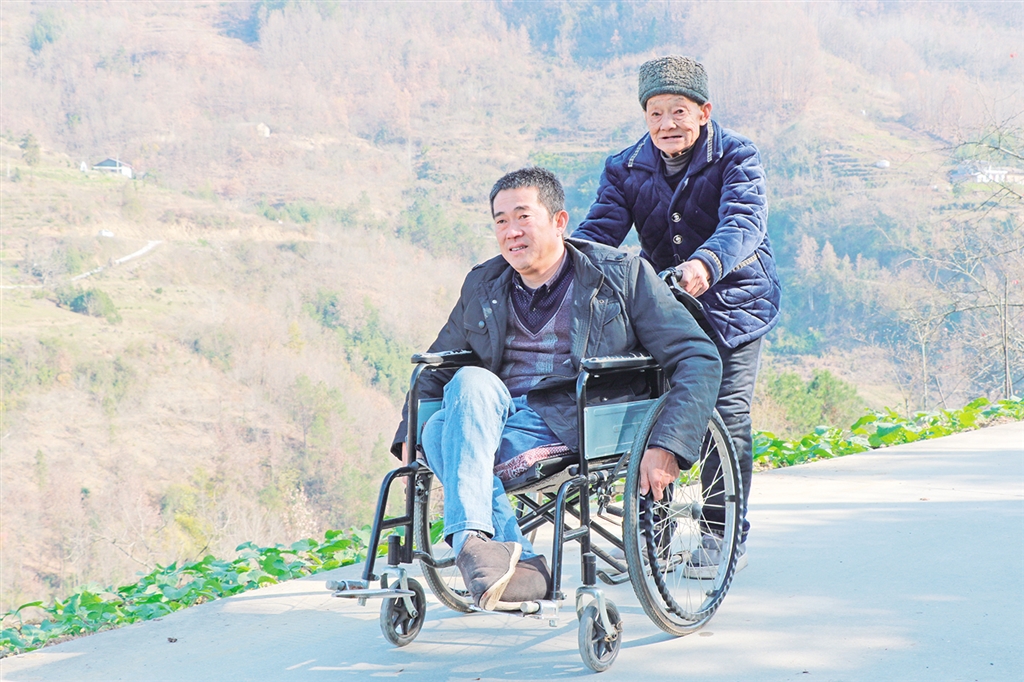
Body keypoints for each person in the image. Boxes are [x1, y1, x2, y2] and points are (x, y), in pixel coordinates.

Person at [391, 167, 721, 610]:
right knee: (461, 389)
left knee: (441, 437)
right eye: (501, 221)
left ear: (559, 221)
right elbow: (438, 364)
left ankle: (494, 551)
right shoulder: (483, 283)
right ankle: (495, 549)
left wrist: (668, 445)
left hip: (572, 417)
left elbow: (698, 357)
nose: (511, 231)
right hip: (494, 415)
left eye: (523, 217)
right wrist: (406, 433)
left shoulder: (620, 275)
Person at [574, 56, 782, 571]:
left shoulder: (737, 155)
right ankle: (656, 539)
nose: (667, 123)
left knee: (726, 416)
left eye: (679, 111)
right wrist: (558, 264)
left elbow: (743, 223)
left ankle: (721, 534)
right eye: (656, 113)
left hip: (735, 306)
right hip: (666, 309)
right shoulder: (625, 168)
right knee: (652, 415)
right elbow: (600, 232)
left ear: (703, 112)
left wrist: (705, 264)